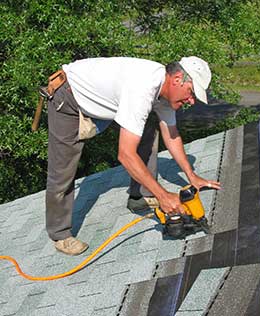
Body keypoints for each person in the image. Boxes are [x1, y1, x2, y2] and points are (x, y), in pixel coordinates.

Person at [46, 56, 221, 255]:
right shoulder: (142, 89)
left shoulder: (164, 92)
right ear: (177, 79)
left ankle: (140, 196)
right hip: (69, 97)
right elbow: (126, 155)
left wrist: (192, 176)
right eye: (191, 93)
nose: (191, 101)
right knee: (62, 170)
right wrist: (163, 196)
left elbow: (171, 135)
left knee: (148, 129)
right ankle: (60, 234)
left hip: (104, 102)